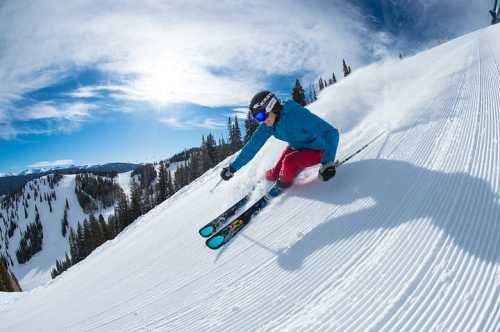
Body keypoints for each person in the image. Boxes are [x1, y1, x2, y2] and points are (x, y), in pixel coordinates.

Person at [220, 90, 339, 193]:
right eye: (257, 119)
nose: (261, 121)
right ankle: (270, 179)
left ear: (272, 106)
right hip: (297, 148)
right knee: (273, 173)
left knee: (289, 162)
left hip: (319, 150)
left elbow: (331, 132)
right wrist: (232, 168)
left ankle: (283, 186)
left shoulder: (296, 115)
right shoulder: (269, 125)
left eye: (261, 116)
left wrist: (328, 162)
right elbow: (252, 147)